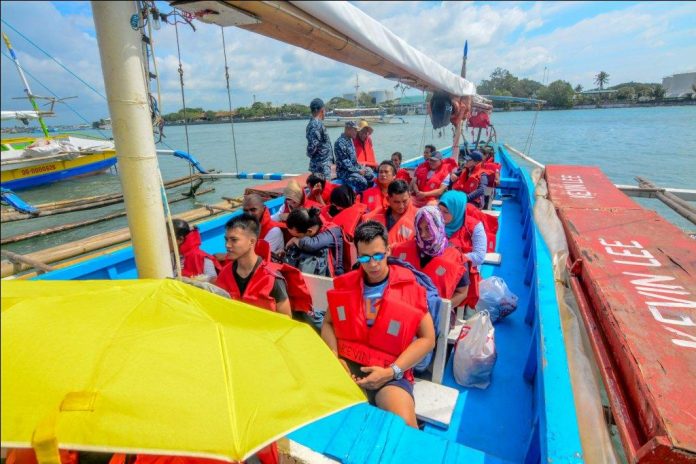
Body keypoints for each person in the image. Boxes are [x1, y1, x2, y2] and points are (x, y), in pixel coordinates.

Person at [321, 221, 436, 427]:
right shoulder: (346, 286)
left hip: (390, 372)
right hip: (346, 368)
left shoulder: (411, 290)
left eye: (378, 256)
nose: (372, 264)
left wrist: (392, 372)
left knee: (405, 426)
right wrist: (334, 358)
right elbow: (328, 323)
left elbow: (428, 339)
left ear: (388, 250)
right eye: (364, 257)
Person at [391, 206, 470, 309]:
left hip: (437, 315)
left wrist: (440, 308)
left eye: (428, 228)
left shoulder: (457, 259)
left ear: (438, 226)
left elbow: (462, 292)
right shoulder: (400, 249)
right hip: (404, 310)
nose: (423, 235)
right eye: (419, 229)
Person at [214, 214, 292, 317]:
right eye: (226, 239)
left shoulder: (271, 278)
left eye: (234, 240)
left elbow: (287, 319)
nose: (227, 245)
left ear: (252, 242)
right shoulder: (225, 273)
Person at [438, 191, 487, 309]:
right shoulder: (434, 223)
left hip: (463, 275)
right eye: (439, 210)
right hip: (439, 271)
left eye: (445, 212)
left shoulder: (475, 227)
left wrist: (453, 258)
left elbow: (479, 256)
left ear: (457, 211)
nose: (440, 215)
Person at [284, 207, 344, 277]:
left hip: (334, 277)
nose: (297, 238)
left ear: (309, 231)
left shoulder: (331, 233)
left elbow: (311, 245)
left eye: (298, 236)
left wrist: (294, 240)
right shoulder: (312, 222)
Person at [364, 179, 417, 246]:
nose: (401, 206)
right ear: (388, 199)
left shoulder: (419, 217)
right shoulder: (373, 217)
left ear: (409, 196)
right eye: (396, 202)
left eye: (404, 201)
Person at [334, 121, 375, 194]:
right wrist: (358, 171)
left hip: (354, 168)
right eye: (355, 130)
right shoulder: (340, 143)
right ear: (348, 129)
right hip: (344, 172)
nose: (356, 132)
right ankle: (359, 197)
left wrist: (360, 168)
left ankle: (369, 194)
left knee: (370, 173)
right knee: (362, 181)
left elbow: (354, 160)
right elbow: (345, 163)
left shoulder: (350, 140)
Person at [306, 98, 333, 179]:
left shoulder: (315, 123)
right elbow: (313, 146)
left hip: (322, 164)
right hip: (321, 166)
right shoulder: (316, 124)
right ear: (322, 110)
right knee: (324, 189)